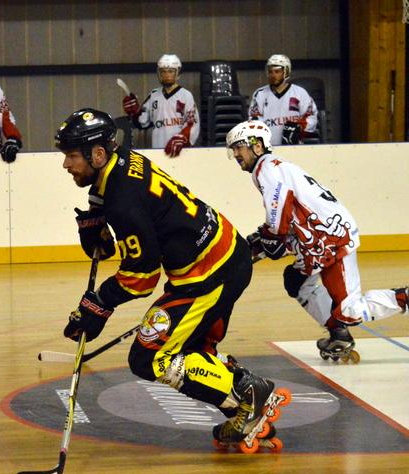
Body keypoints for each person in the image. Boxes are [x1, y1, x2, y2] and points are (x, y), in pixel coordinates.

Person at [56, 108, 289, 450]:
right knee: (190, 350)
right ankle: (244, 405)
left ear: (98, 153)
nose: (66, 165)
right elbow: (115, 194)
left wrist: (99, 303)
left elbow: (142, 277)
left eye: (72, 156)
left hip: (210, 273)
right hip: (220, 256)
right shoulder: (121, 161)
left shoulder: (123, 200)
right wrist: (94, 216)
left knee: (149, 357)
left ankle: (250, 393)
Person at [225, 120, 408, 362]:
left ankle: (403, 298)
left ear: (257, 146)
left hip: (331, 240)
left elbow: (279, 207)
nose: (236, 153)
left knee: (351, 310)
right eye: (233, 149)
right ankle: (338, 333)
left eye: (239, 147)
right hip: (319, 240)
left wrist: (272, 236)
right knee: (297, 282)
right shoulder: (272, 166)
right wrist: (270, 235)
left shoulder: (266, 168)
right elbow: (288, 212)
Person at [121, 54, 200, 157]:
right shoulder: (153, 95)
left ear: (178, 73)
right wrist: (134, 112)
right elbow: (142, 122)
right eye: (163, 71)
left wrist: (182, 138)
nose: (167, 75)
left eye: (171, 71)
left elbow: (192, 123)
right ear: (159, 73)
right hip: (157, 152)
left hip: (181, 152)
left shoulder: (185, 95)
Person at [248, 54, 318, 145]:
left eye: (277, 72)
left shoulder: (300, 93)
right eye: (270, 72)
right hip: (268, 150)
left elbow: (311, 117)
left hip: (295, 148)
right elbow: (253, 121)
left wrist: (300, 127)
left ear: (286, 72)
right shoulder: (260, 94)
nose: (273, 75)